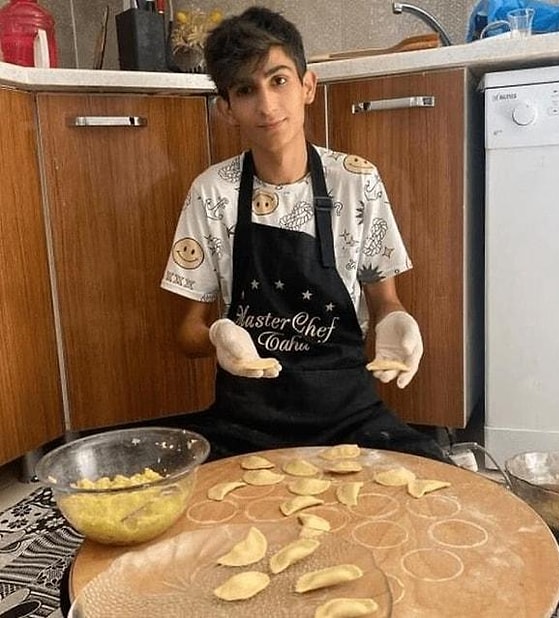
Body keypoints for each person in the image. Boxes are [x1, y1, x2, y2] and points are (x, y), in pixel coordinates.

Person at [160, 6, 449, 463]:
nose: (267, 105)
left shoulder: (357, 180)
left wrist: (396, 323)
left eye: (278, 80)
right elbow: (184, 332)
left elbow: (385, 301)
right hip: (245, 422)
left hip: (350, 416)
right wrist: (217, 336)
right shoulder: (212, 192)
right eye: (245, 90)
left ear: (307, 86)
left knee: (435, 479)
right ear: (227, 109)